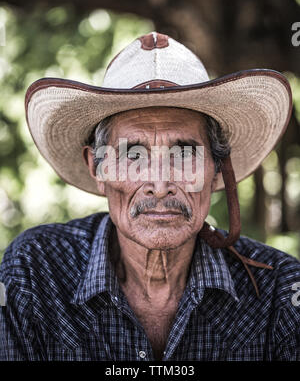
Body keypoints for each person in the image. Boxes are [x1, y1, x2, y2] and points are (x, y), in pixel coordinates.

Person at [0, 32, 299, 361]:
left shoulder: (279, 292)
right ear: (97, 167)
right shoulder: (35, 272)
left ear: (216, 170)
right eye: (133, 154)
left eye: (184, 152)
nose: (159, 184)